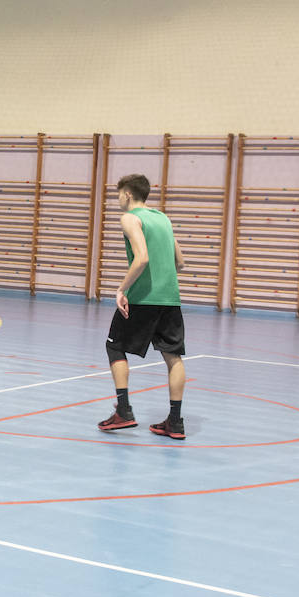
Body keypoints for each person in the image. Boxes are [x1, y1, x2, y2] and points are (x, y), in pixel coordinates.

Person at [97, 173, 188, 439]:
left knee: (114, 346)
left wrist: (122, 289)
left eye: (118, 194)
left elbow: (142, 259)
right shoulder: (162, 218)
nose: (118, 199)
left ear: (127, 194)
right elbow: (180, 261)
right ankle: (175, 422)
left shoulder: (129, 218)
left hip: (142, 298)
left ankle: (124, 411)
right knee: (173, 357)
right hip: (170, 298)